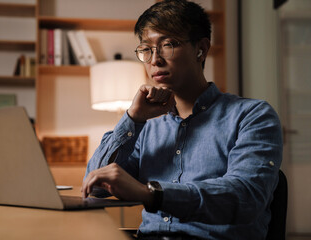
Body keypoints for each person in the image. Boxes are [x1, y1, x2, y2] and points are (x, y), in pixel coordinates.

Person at [82, 0, 283, 239]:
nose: (154, 60)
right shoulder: (146, 125)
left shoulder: (252, 116)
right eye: (146, 49)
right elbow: (94, 187)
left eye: (168, 45)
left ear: (201, 49)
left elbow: (246, 197)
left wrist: (152, 194)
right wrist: (132, 118)